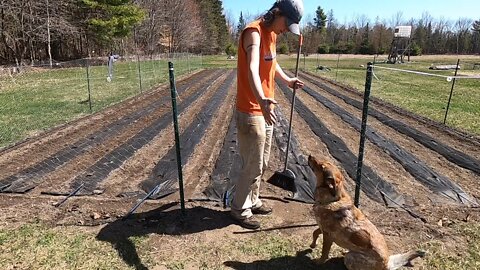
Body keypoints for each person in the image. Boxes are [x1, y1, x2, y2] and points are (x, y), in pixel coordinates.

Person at [231, 0, 305, 230]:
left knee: (261, 162)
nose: (286, 29)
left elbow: (272, 64)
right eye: (287, 23)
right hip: (251, 108)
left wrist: (287, 80)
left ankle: (253, 200)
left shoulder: (272, 34)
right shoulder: (254, 33)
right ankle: (239, 209)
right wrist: (262, 99)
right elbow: (253, 68)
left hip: (265, 109)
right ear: (277, 13)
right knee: (252, 163)